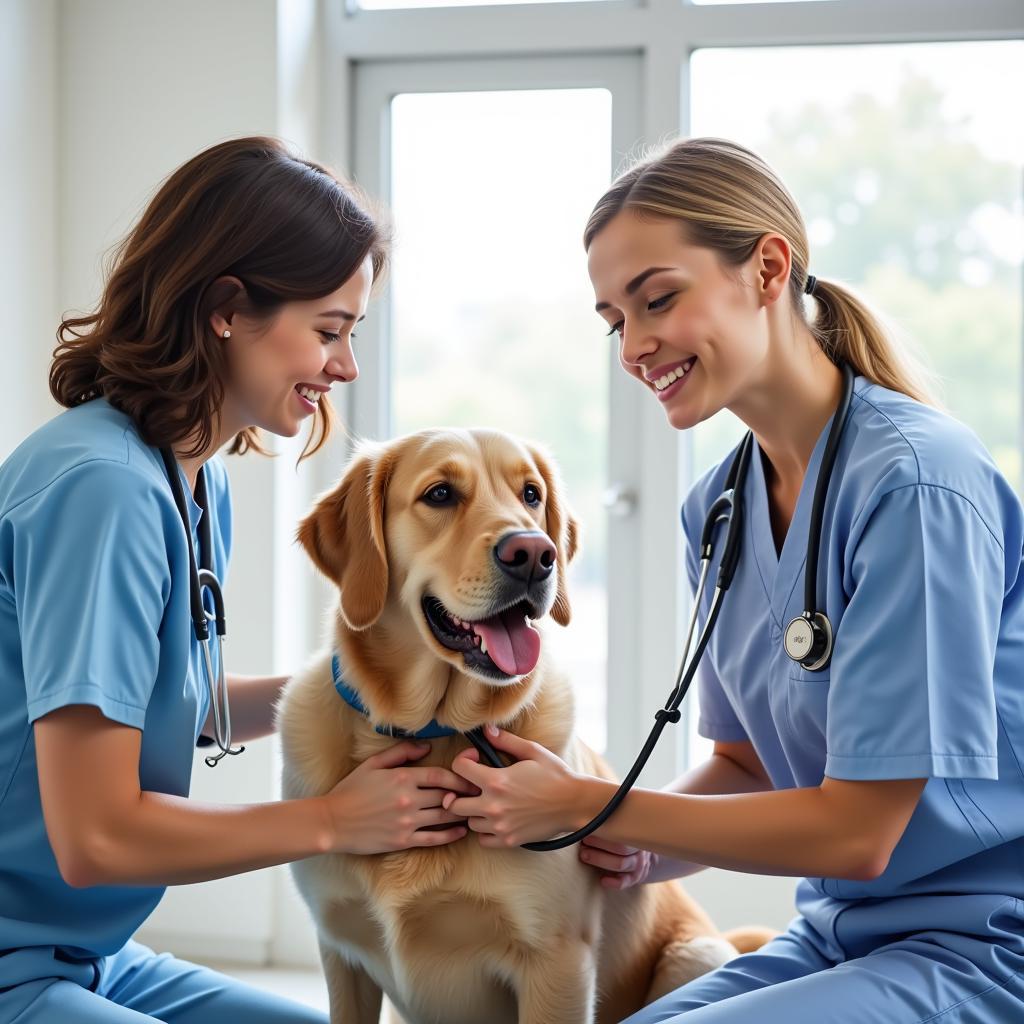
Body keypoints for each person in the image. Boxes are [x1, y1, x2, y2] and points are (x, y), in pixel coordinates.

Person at [445, 137, 1024, 1022]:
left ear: (767, 267)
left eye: (658, 299)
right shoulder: (717, 510)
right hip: (838, 933)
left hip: (983, 945)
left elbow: (858, 832)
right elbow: (748, 763)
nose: (635, 346)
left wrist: (595, 806)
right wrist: (622, 848)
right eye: (614, 321)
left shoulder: (916, 485)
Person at [0, 136, 473, 1023]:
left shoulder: (192, 471)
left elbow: (156, 703)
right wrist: (335, 820)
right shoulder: (102, 488)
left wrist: (351, 690)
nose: (345, 366)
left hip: (89, 952)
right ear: (226, 307)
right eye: (328, 330)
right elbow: (95, 838)